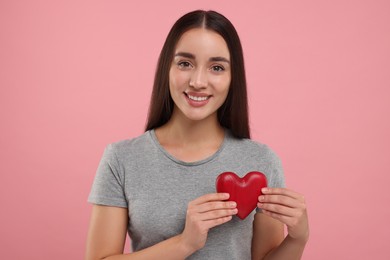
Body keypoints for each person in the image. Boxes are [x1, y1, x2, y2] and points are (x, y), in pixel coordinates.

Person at [85, 10, 309, 260]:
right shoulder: (122, 159)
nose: (198, 81)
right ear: (166, 68)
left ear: (232, 78)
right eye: (185, 63)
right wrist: (184, 244)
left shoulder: (261, 161)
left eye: (216, 67)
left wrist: (298, 239)